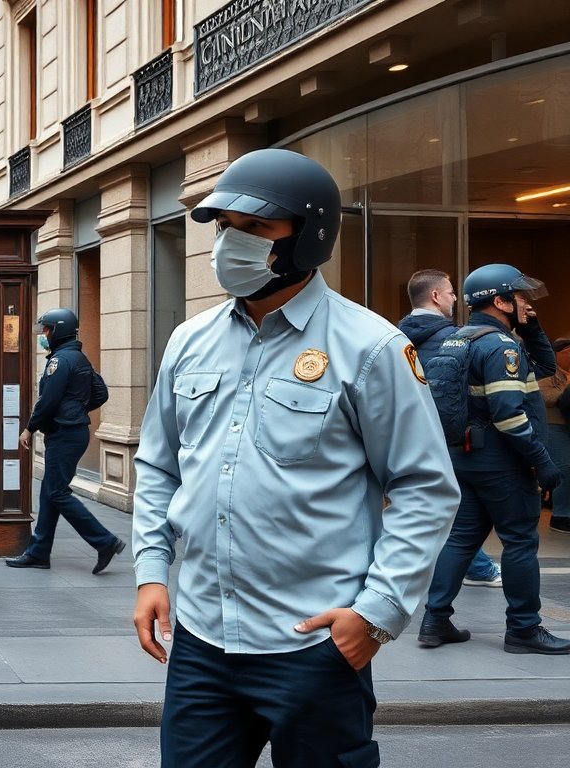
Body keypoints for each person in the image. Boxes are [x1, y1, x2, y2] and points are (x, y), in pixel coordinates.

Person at [131, 148, 461, 767]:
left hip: (312, 646)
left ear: (307, 237)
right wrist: (152, 569)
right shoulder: (189, 340)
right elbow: (159, 464)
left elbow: (424, 487)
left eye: (256, 227)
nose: (233, 242)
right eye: (226, 227)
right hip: (201, 641)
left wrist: (377, 613)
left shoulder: (371, 347)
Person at [419, 264, 569, 655]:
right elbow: (509, 413)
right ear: (500, 301)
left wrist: (533, 332)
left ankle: (434, 621)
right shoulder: (500, 346)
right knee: (520, 541)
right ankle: (523, 629)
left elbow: (542, 371)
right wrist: (541, 460)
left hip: (465, 458)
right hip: (502, 464)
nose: (527, 304)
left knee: (462, 539)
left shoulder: (458, 338)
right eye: (520, 297)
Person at [399, 269, 502, 588]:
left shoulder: (391, 336)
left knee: (426, 505)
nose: (456, 298)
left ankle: (473, 568)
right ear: (435, 296)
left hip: (403, 435)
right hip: (450, 438)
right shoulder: (457, 339)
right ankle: (478, 568)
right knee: (455, 509)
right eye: (451, 292)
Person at [5, 308, 125, 574]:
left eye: (46, 330)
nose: (44, 335)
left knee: (57, 492)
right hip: (73, 430)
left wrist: (29, 428)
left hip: (64, 434)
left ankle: (105, 541)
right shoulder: (78, 357)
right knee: (50, 492)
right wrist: (77, 408)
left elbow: (47, 401)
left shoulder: (60, 361)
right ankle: (38, 552)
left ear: (58, 330)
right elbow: (100, 393)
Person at [542, 339, 570, 535]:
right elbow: (546, 398)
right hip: (555, 426)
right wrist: (567, 388)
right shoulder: (546, 371)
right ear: (557, 354)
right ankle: (561, 515)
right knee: (565, 468)